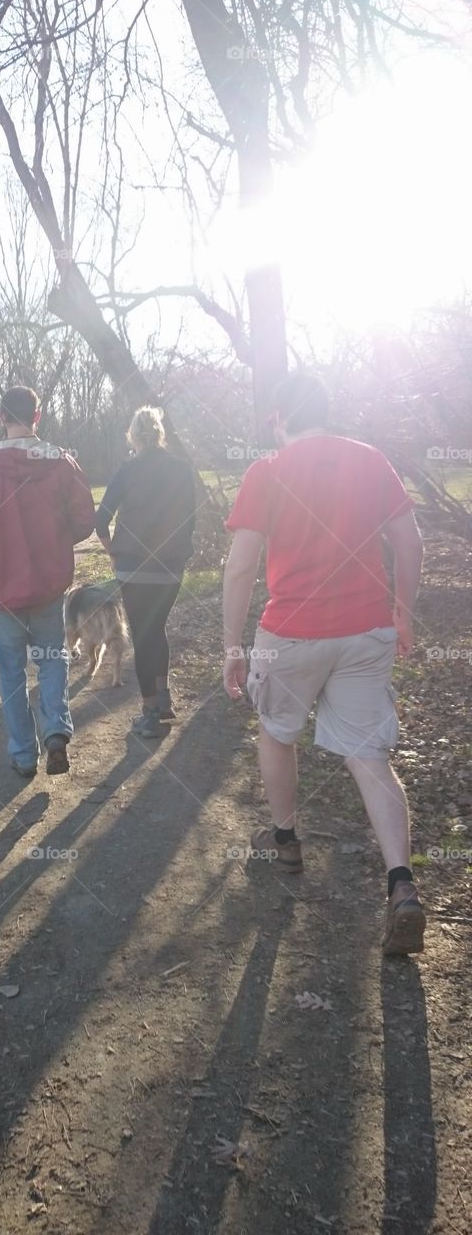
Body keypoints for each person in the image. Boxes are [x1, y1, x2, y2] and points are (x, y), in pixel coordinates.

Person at [222, 372, 426, 956]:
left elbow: (239, 568)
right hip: (367, 630)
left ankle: (286, 842)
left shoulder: (266, 471)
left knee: (276, 733)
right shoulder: (371, 460)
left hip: (289, 634)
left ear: (280, 418)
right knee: (369, 756)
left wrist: (233, 645)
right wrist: (403, 615)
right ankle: (401, 884)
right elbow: (410, 543)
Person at [0, 386, 95, 776]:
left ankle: (23, 756)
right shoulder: (63, 464)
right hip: (48, 588)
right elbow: (85, 519)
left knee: (11, 671)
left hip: (3, 592)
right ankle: (56, 733)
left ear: (1, 417)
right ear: (38, 415)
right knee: (52, 661)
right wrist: (56, 542)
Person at [95, 406, 196, 737]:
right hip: (169, 568)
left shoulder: (128, 471)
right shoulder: (182, 470)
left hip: (133, 567)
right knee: (158, 629)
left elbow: (101, 520)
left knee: (143, 634)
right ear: (160, 433)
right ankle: (163, 698)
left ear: (133, 436)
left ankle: (150, 712)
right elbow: (190, 520)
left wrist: (114, 553)